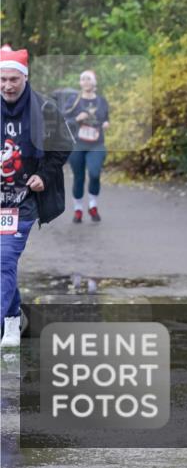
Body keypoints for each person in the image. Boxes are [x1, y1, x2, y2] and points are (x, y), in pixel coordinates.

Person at [1, 46, 73, 347]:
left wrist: (43, 175)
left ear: (25, 78)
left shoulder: (44, 109)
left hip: (22, 200)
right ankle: (14, 318)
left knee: (4, 258)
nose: (7, 86)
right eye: (2, 79)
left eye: (13, 80)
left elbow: (62, 147)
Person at [65, 70, 110, 223]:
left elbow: (106, 118)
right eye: (83, 79)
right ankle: (78, 210)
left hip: (96, 144)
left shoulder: (101, 101)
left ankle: (93, 205)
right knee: (79, 177)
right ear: (80, 82)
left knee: (95, 173)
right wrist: (77, 118)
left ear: (94, 82)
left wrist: (106, 123)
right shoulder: (74, 100)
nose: (86, 82)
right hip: (77, 144)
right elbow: (64, 121)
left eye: (89, 79)